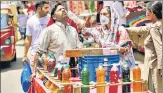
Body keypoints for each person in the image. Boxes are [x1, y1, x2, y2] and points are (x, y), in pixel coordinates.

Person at [31, 3, 82, 78]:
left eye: (64, 9)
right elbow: (39, 53)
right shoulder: (49, 31)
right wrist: (34, 72)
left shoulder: (73, 30)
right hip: (54, 75)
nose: (63, 10)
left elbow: (79, 50)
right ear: (54, 17)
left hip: (72, 73)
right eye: (60, 10)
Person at [126, 1, 162, 93]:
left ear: (153, 12)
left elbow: (159, 49)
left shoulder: (154, 29)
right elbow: (141, 29)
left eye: (147, 10)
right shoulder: (156, 25)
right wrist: (124, 29)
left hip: (154, 67)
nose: (145, 12)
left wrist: (161, 68)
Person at [22, 1, 50, 73]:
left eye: (48, 7)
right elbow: (28, 39)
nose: (48, 10)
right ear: (38, 9)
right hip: (36, 54)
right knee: (36, 77)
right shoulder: (30, 21)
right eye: (46, 8)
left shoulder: (51, 19)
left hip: (49, 54)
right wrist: (24, 55)